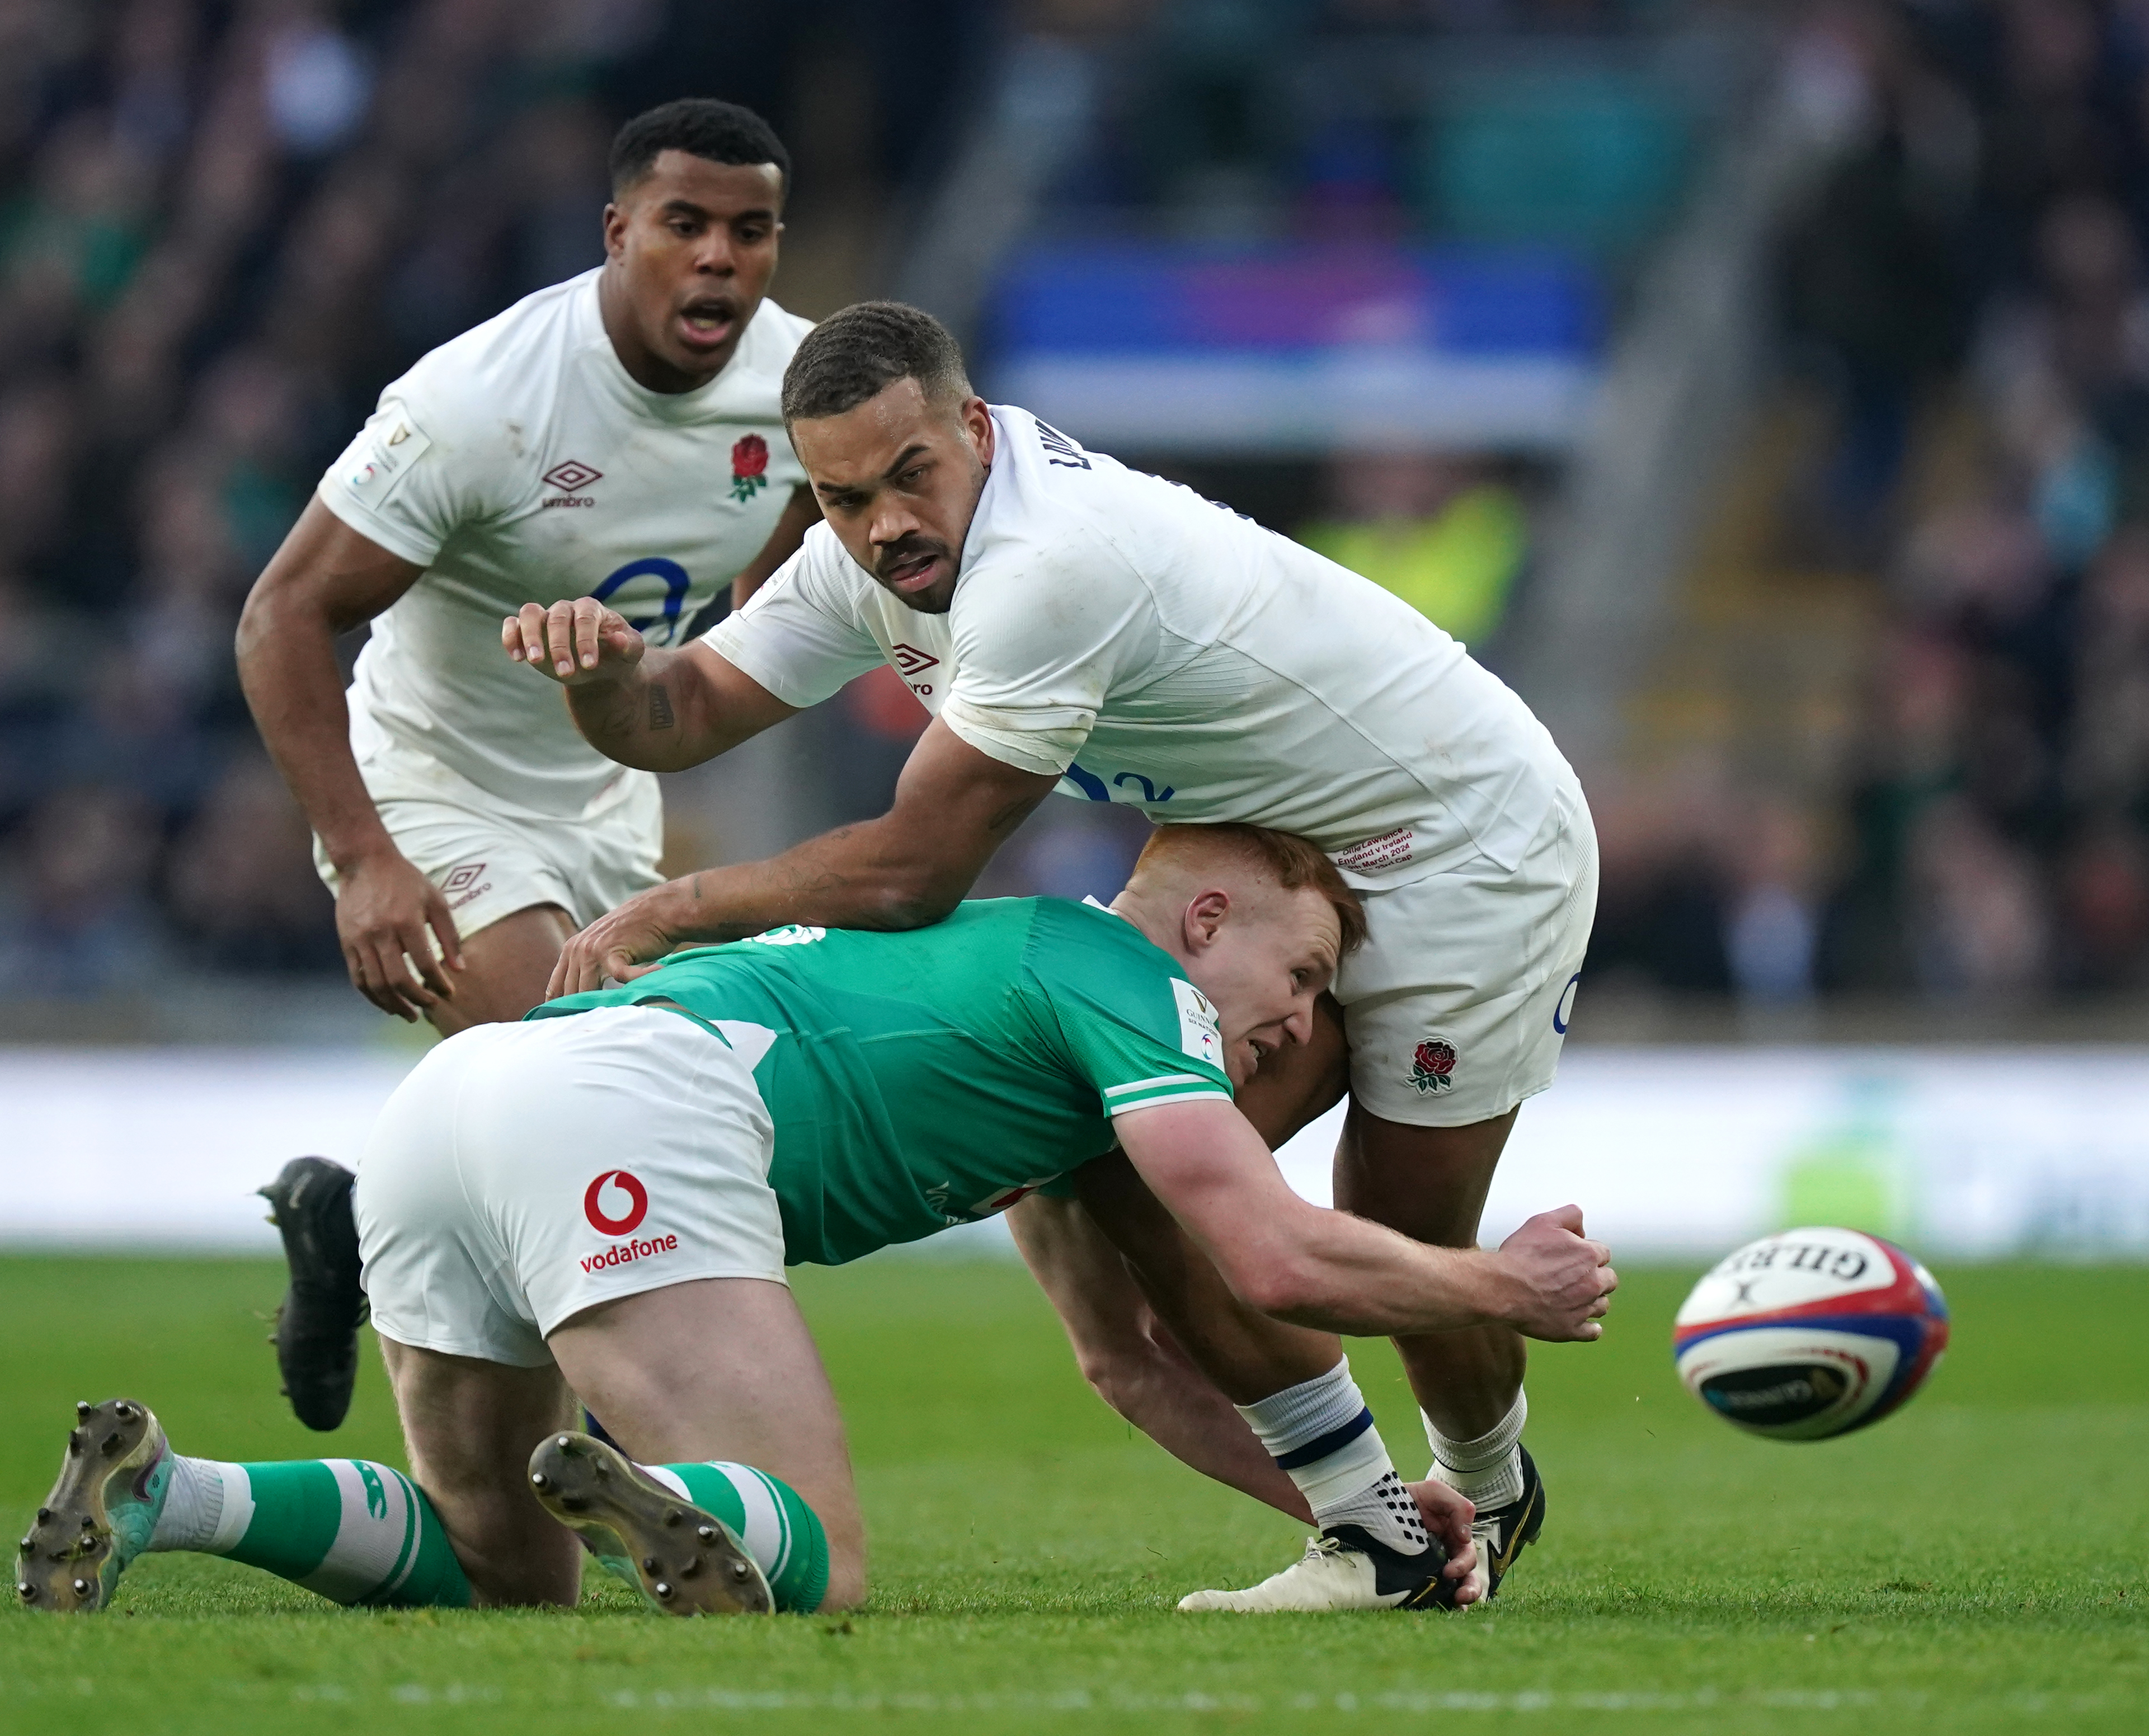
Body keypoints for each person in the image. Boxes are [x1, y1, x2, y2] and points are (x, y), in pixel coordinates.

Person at [501, 301, 1598, 1611]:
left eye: (913, 475)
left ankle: (1481, 1482)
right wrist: (604, 677)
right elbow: (681, 710)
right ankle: (1375, 1531)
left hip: (1462, 836)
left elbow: (914, 871)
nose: (886, 522)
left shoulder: (1048, 564)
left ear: (974, 429)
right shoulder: (872, 555)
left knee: (1397, 1225)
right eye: (845, 497)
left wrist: (671, 906)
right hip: (1272, 840)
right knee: (1122, 1150)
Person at [20, 826, 1613, 1617]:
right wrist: (1499, 1280)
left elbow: (1127, 1365)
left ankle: (180, 1491)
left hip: (450, 1113)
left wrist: (1374, 1529)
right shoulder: (1126, 981)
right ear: (1208, 918)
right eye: (1308, 974)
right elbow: (1270, 1254)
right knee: (819, 1559)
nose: (1297, 1019)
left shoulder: (1029, 1025)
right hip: (629, 1117)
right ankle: (660, 1483)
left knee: (501, 1567)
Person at [235, 98, 817, 1425]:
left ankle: (354, 1226)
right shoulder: (481, 400)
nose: (720, 257)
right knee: (573, 1089)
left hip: (612, 798)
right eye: (686, 225)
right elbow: (282, 612)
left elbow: (792, 608)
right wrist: (369, 857)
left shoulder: (798, 395)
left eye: (752, 230)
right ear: (619, 233)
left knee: (634, 1108)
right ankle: (634, 1423)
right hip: (432, 777)